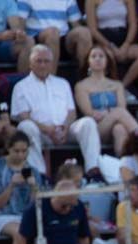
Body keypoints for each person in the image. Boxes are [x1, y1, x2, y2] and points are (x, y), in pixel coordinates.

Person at [12, 44, 103, 179]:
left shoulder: (62, 83)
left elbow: (72, 112)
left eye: (46, 61)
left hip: (64, 130)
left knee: (88, 123)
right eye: (39, 61)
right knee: (26, 127)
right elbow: (24, 116)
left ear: (52, 64)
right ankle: (40, 175)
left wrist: (65, 128)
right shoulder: (21, 86)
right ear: (30, 63)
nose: (43, 65)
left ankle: (93, 170)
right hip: (40, 132)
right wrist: (48, 130)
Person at [74, 44, 138, 155]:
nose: (97, 59)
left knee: (119, 129)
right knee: (118, 113)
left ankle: (124, 163)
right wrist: (110, 112)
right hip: (96, 129)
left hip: (115, 124)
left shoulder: (117, 85)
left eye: (101, 56)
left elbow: (123, 108)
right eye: (93, 56)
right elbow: (90, 113)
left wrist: (106, 113)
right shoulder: (81, 86)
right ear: (88, 62)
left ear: (107, 61)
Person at [84, 0, 138, 93]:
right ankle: (108, 88)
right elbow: (92, 29)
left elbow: (133, 24)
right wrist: (110, 46)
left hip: (123, 39)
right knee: (107, 56)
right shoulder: (91, 1)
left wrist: (126, 44)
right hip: (104, 41)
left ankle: (122, 86)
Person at [0, 131, 38, 244]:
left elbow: (36, 205)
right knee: (21, 232)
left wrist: (34, 187)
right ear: (8, 149)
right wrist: (11, 185)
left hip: (26, 216)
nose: (21, 155)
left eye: (24, 151)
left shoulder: (33, 171)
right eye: (17, 151)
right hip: (1, 217)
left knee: (45, 232)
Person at [13, 177, 89, 244]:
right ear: (54, 197)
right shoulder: (36, 208)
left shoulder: (79, 207)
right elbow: (21, 238)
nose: (68, 209)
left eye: (72, 206)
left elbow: (83, 237)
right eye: (63, 206)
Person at [20, 0, 92, 65]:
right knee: (52, 33)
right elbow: (20, 24)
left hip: (63, 38)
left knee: (84, 33)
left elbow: (76, 24)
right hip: (37, 39)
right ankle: (50, 78)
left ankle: (85, 76)